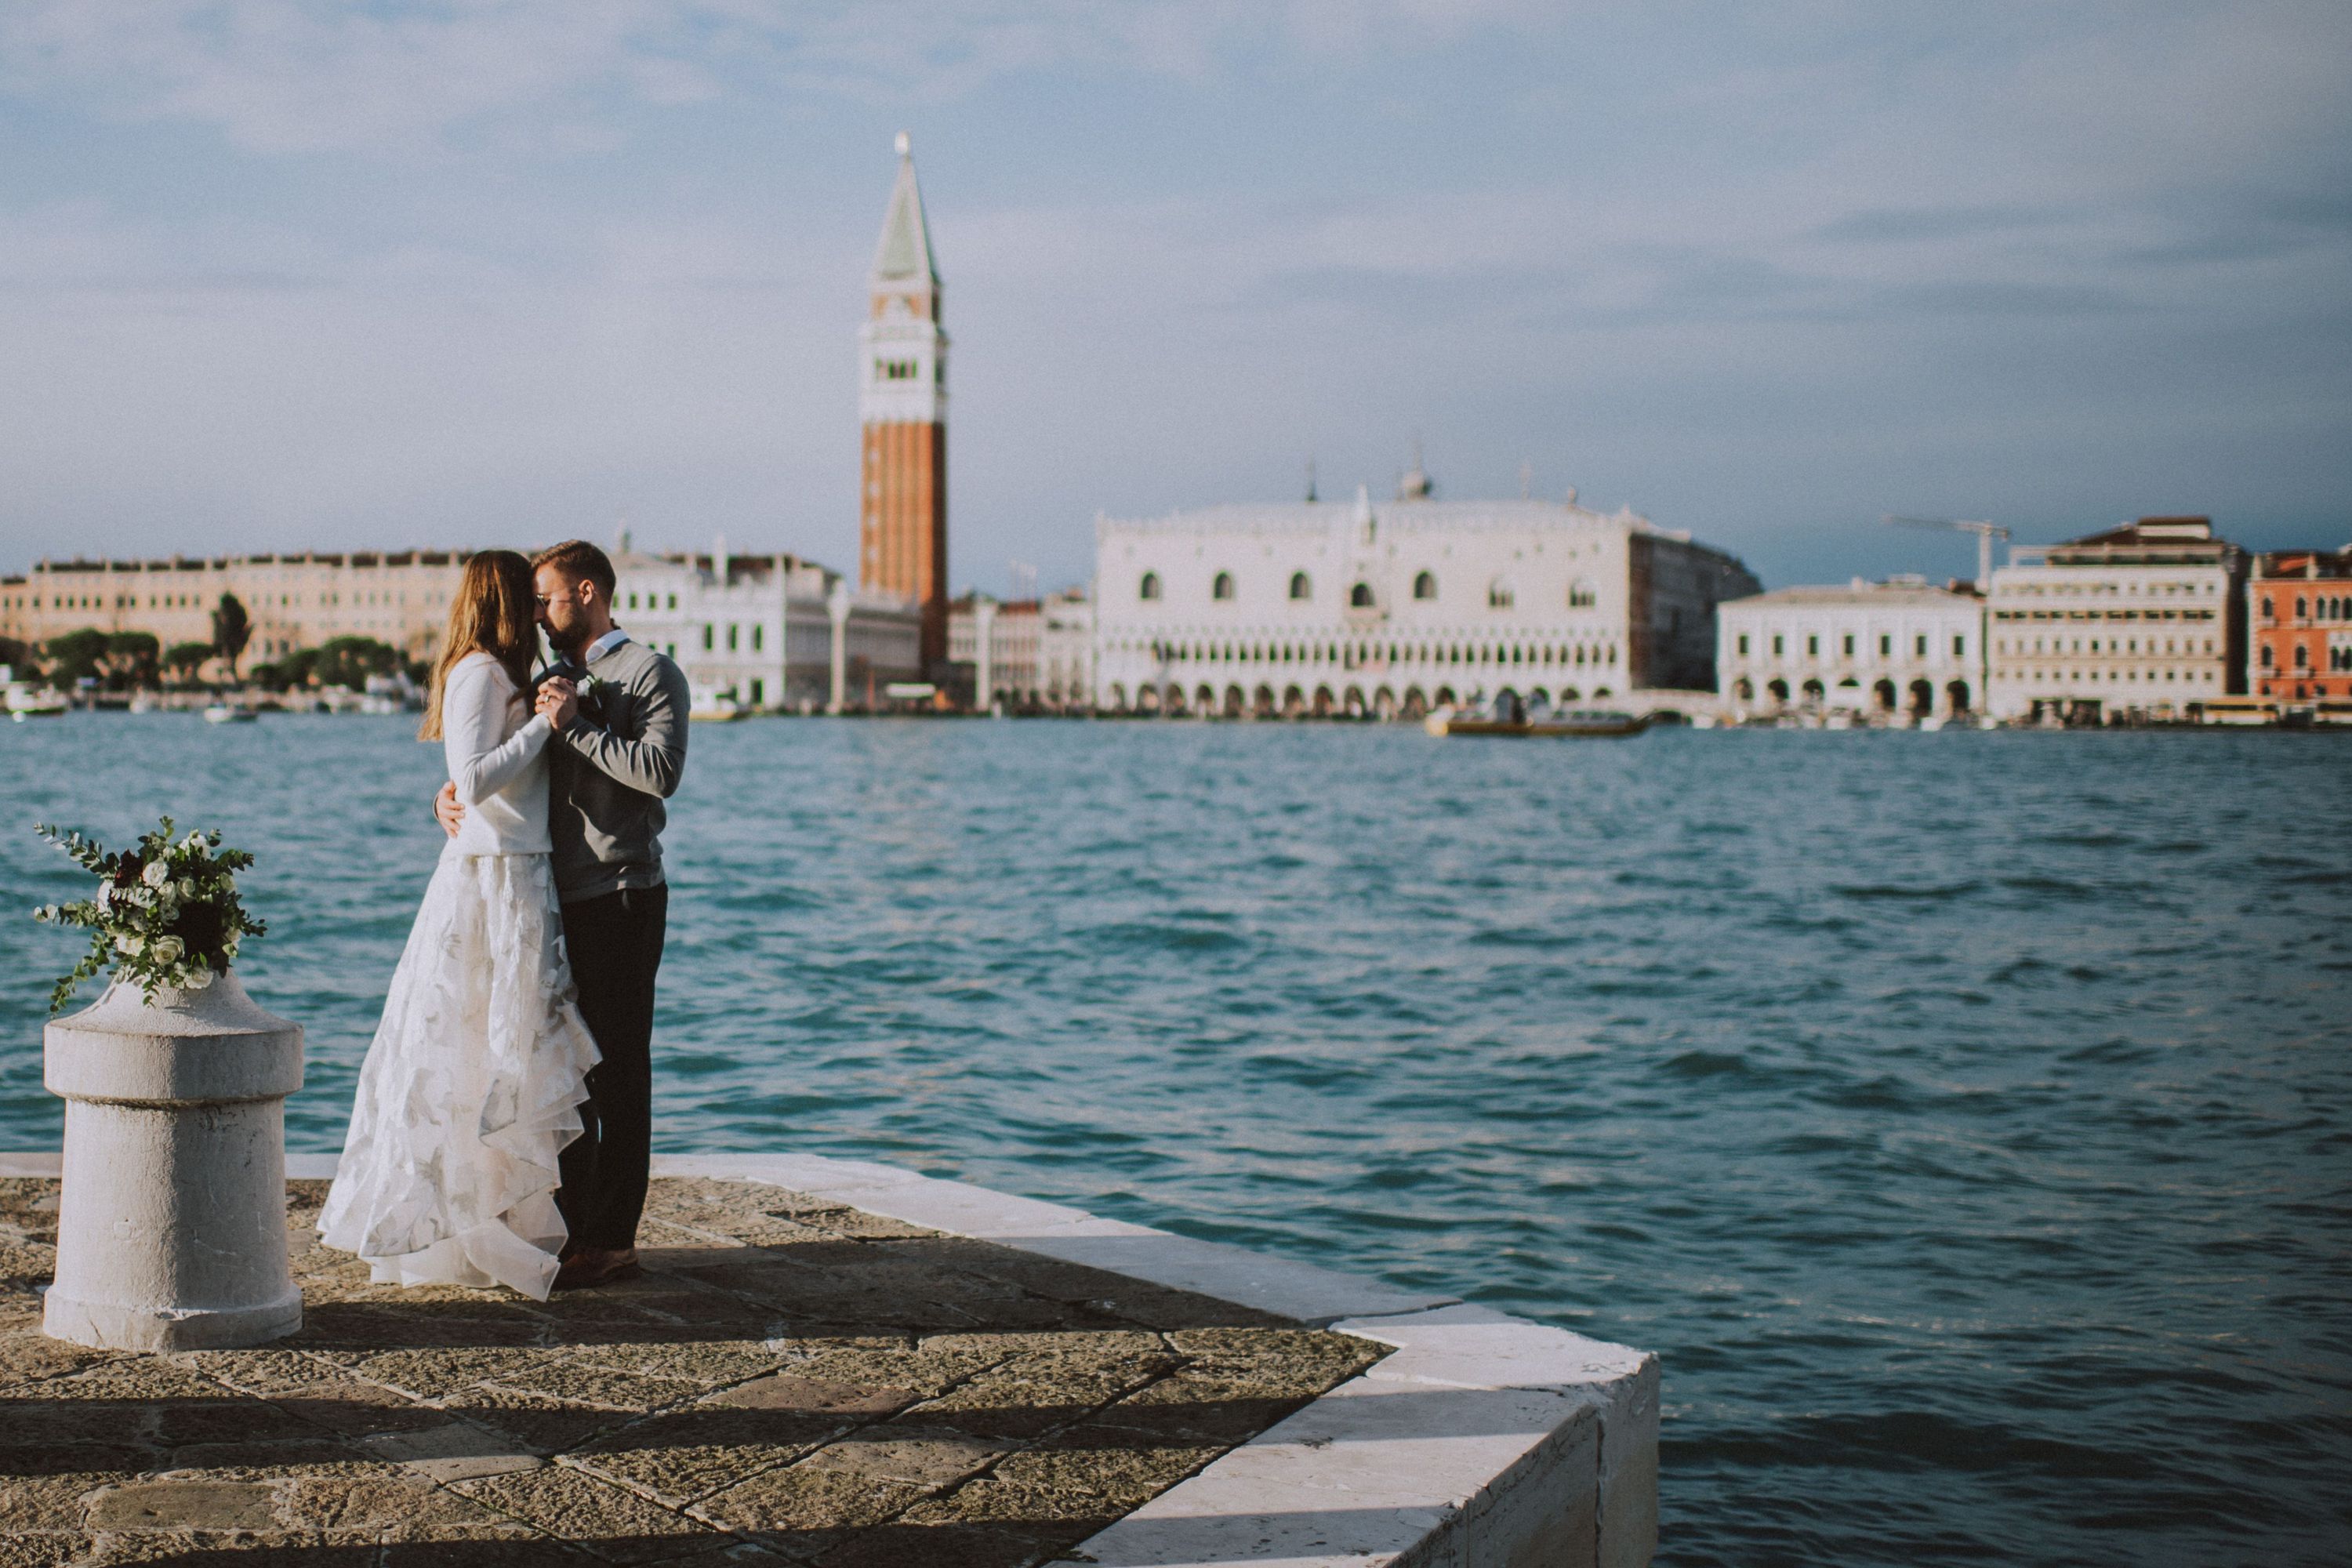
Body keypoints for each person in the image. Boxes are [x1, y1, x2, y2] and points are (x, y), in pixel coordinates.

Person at [318, 550, 601, 1300]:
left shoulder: (506, 671)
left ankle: (498, 1218)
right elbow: (473, 778)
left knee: (502, 1047)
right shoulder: (478, 671)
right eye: (530, 600)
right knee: (478, 1042)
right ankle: (469, 1226)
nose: (542, 613)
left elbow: (471, 779)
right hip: (491, 879)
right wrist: (544, 727)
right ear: (504, 602)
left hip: (517, 869)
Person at [435, 539, 688, 1291]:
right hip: (547, 898)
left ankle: (612, 1238)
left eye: (545, 598)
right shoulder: (554, 676)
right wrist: (451, 797)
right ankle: (573, 1229)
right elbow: (507, 770)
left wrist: (574, 724)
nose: (536, 613)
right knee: (561, 1070)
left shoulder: (649, 672)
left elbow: (660, 774)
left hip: (620, 893)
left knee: (618, 1069)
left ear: (585, 593)